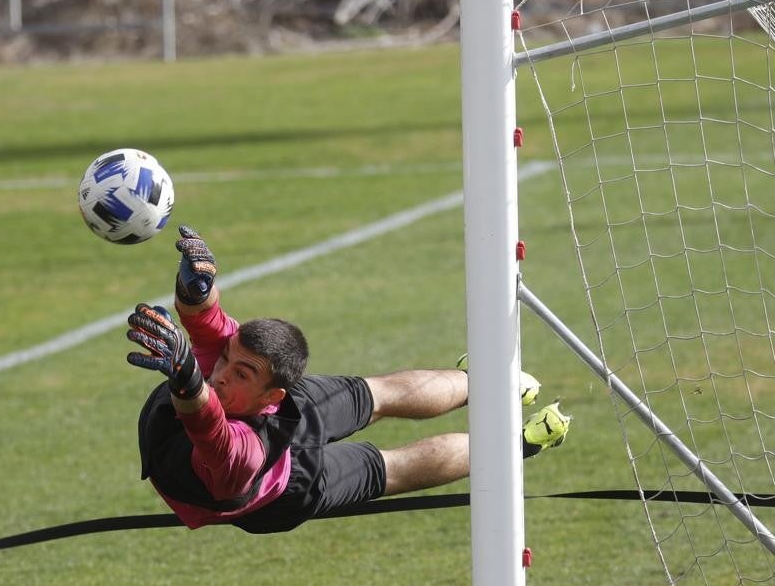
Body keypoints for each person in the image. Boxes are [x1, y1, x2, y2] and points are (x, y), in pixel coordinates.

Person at [125, 226, 571, 533]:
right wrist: (196, 295)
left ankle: (488, 381)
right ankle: (518, 443)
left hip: (262, 431)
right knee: (388, 466)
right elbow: (212, 338)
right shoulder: (238, 424)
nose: (218, 375)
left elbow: (209, 425)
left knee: (381, 394)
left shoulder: (236, 417)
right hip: (286, 489)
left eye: (240, 371)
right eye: (223, 362)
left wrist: (188, 369)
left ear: (275, 396)